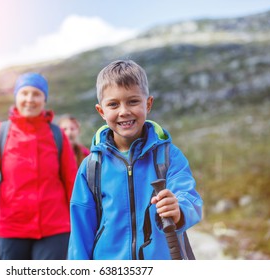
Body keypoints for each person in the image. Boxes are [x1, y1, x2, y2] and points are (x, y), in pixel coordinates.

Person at [67, 60, 203, 260]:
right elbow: (80, 235)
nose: (124, 111)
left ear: (148, 103)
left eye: (133, 101)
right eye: (113, 104)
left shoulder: (169, 156)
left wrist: (179, 209)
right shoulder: (91, 167)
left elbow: (188, 196)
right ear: (101, 111)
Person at [0, 72, 78, 260]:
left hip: (55, 227)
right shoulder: (0, 132)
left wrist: (83, 221)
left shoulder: (57, 135)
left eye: (36, 94)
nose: (30, 99)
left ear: (44, 99)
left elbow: (72, 182)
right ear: (16, 97)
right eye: (24, 93)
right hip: (11, 227)